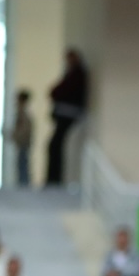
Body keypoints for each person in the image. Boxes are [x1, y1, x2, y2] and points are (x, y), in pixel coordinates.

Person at [47, 49, 89, 187]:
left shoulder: (77, 75)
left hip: (69, 114)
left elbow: (58, 91)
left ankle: (55, 180)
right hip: (64, 113)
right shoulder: (70, 74)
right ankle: (53, 179)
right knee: (54, 146)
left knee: (55, 146)